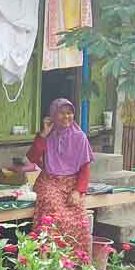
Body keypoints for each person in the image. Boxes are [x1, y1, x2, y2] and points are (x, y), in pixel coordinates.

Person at [27, 98, 95, 261]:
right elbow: (32, 157)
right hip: (49, 181)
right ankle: (48, 266)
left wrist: (78, 191)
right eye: (61, 113)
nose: (66, 117)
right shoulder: (47, 135)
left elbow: (85, 169)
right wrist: (43, 134)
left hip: (72, 184)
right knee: (54, 215)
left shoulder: (80, 137)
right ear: (53, 116)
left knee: (80, 223)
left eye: (69, 113)